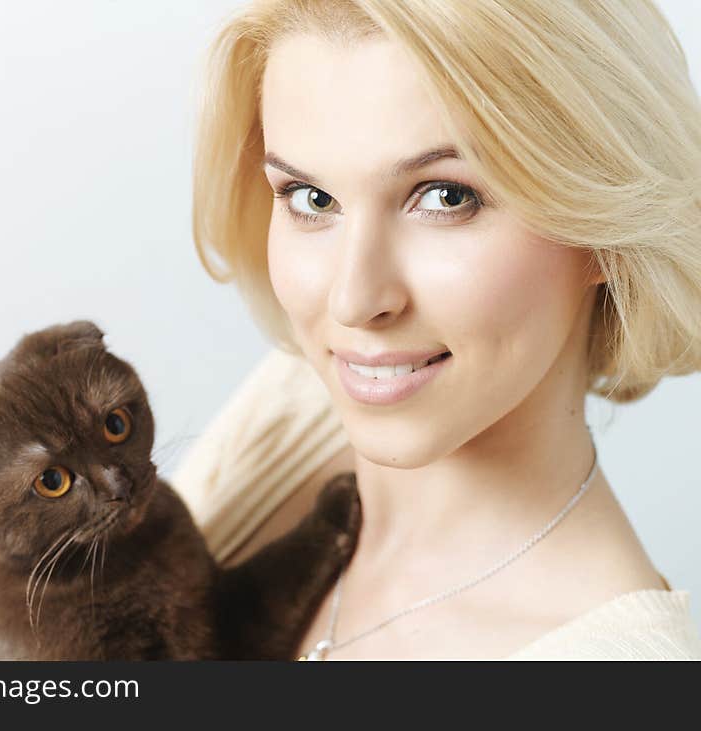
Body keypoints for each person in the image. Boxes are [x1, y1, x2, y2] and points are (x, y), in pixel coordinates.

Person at [173, 0, 701, 659]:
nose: (355, 299)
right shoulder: (295, 408)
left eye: (446, 196)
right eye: (312, 198)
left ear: (602, 221)